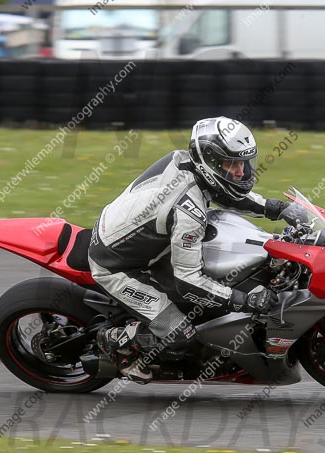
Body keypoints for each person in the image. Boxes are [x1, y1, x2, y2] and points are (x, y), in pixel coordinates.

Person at [87, 117, 306, 383]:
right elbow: (187, 282)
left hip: (143, 241)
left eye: (244, 163)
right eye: (232, 164)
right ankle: (117, 341)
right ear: (210, 162)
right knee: (181, 334)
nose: (240, 172)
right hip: (117, 266)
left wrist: (277, 208)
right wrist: (243, 300)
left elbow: (228, 193)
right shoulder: (188, 212)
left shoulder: (186, 162)